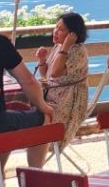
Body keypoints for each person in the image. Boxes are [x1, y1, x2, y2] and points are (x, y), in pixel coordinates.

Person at [0, 4, 54, 173]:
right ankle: (35, 177)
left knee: (7, 121)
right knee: (42, 118)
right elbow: (28, 80)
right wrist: (43, 106)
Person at [35, 11, 89, 145]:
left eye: (61, 29)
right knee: (21, 103)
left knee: (32, 116)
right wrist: (42, 60)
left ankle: (35, 146)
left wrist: (65, 47)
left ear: (73, 34)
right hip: (52, 96)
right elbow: (46, 75)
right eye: (56, 27)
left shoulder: (77, 50)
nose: (55, 32)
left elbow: (55, 73)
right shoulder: (59, 46)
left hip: (67, 102)